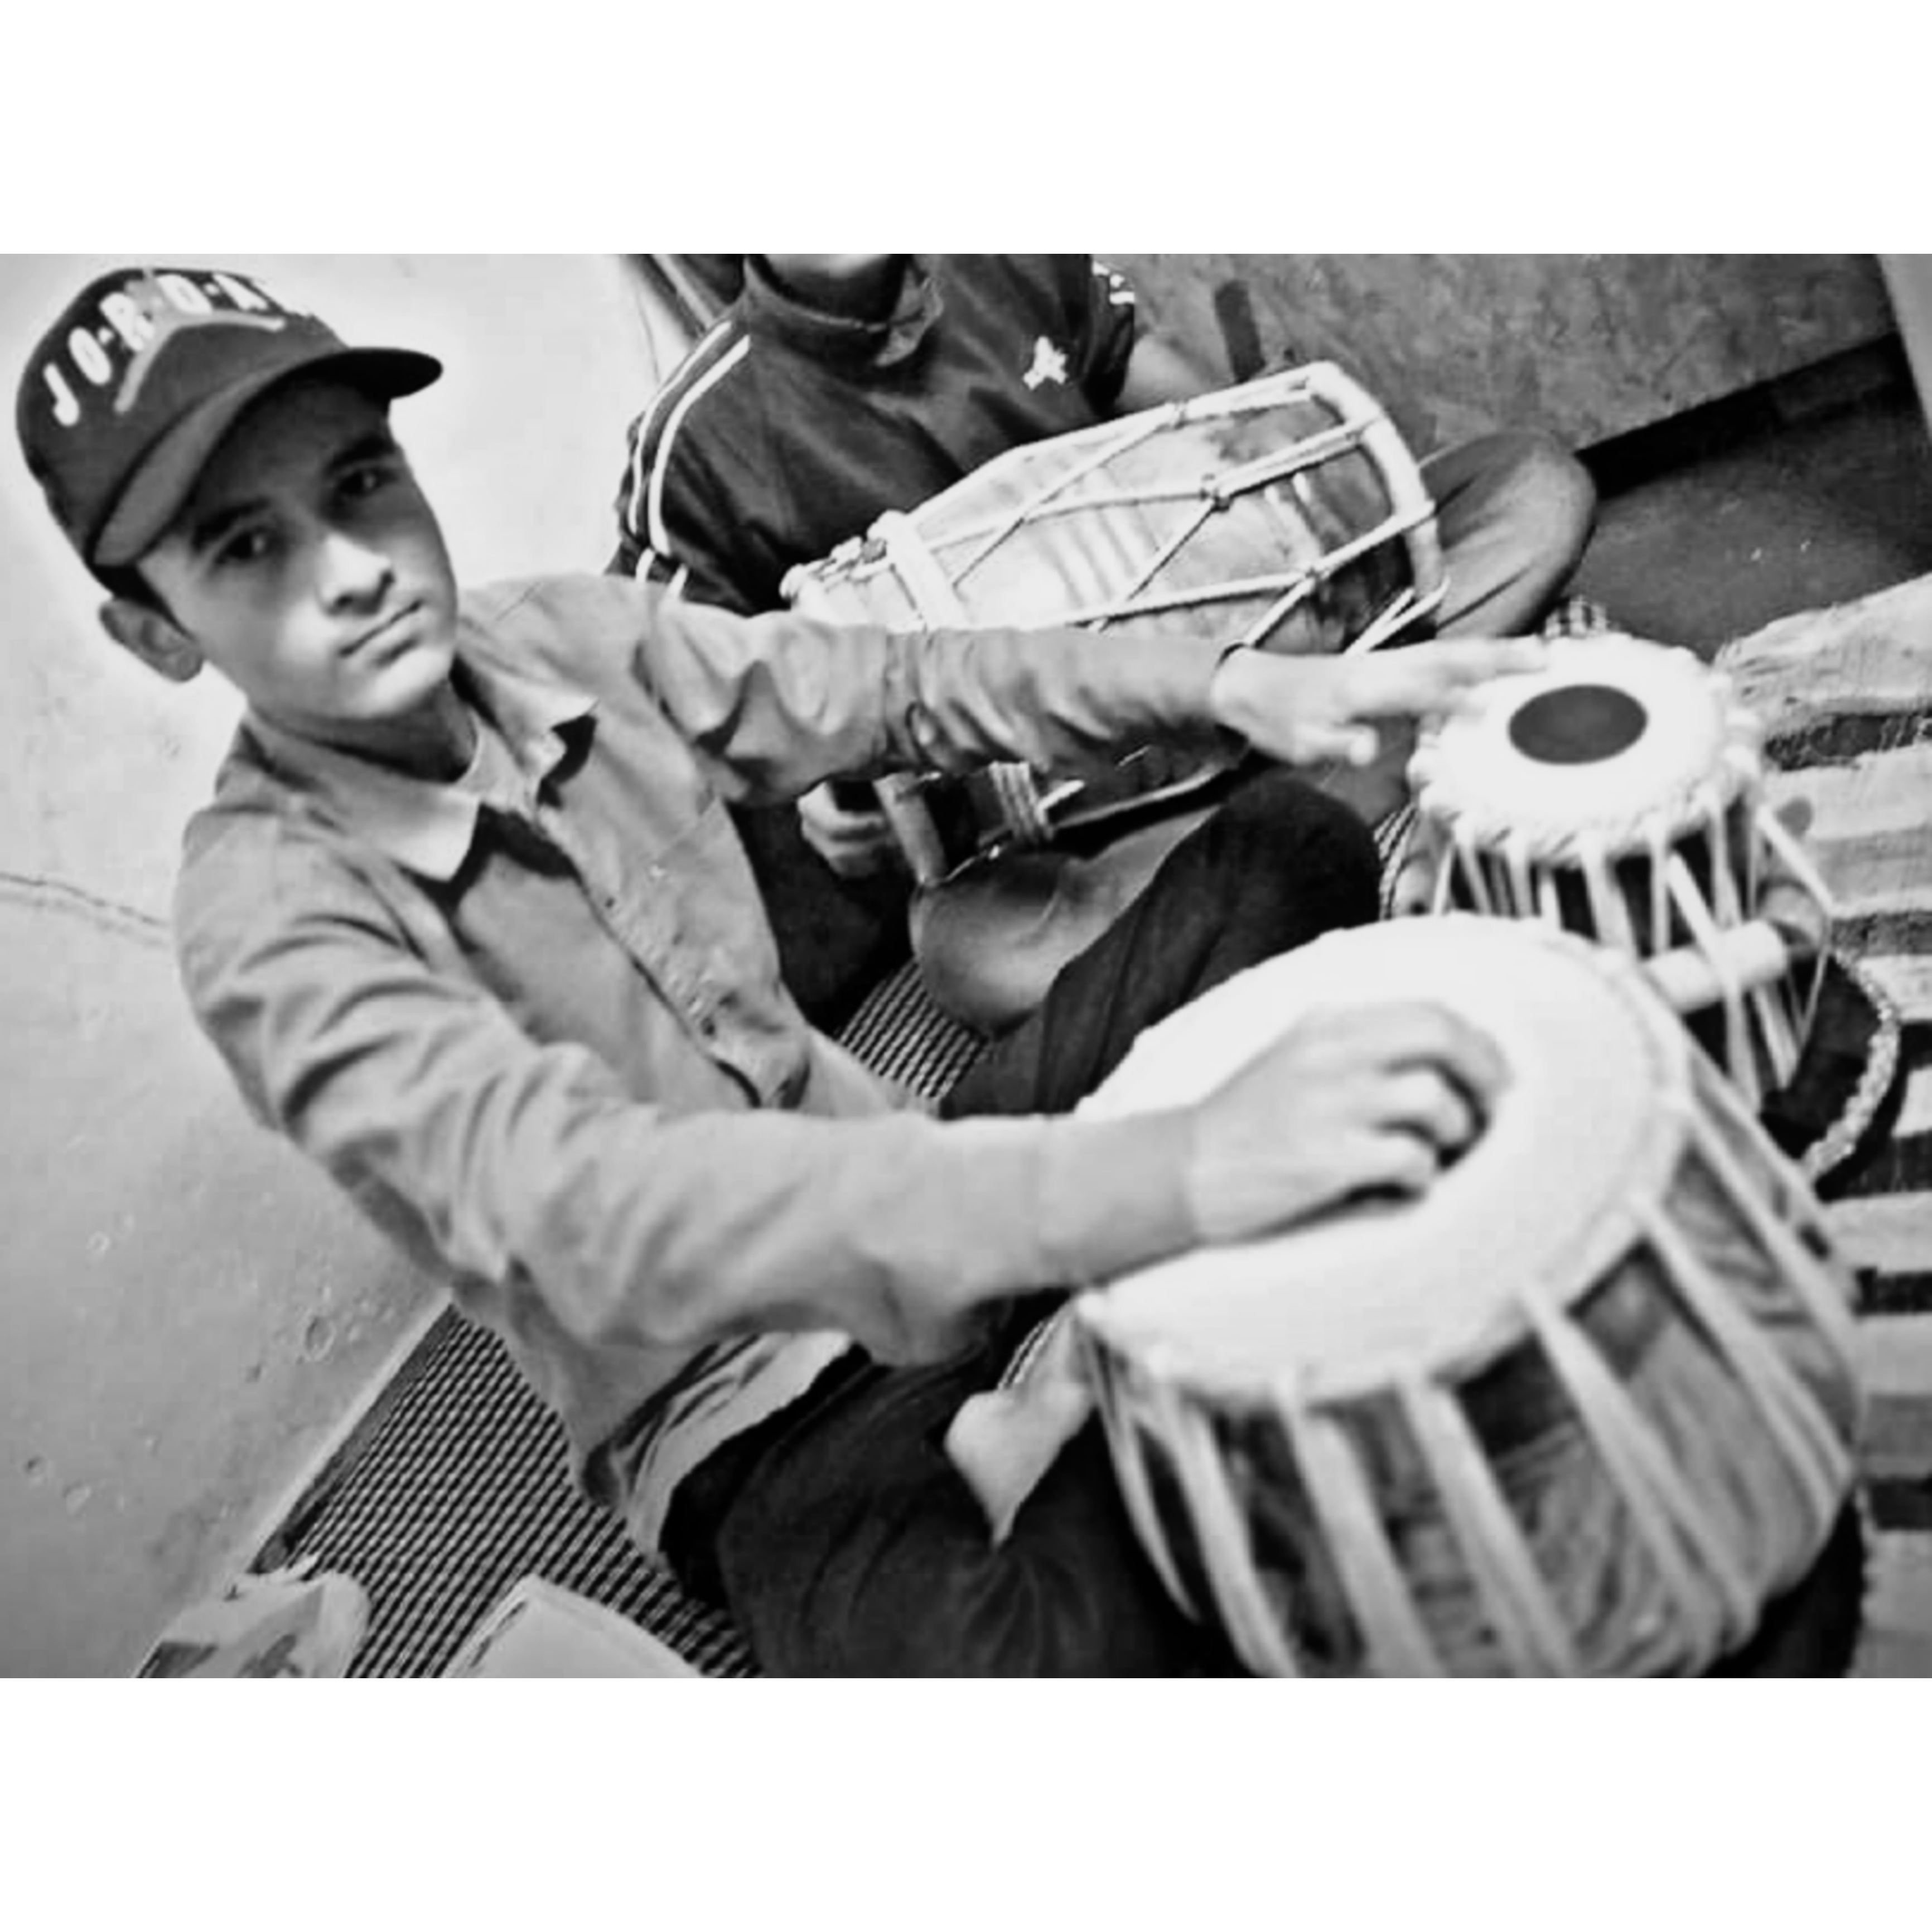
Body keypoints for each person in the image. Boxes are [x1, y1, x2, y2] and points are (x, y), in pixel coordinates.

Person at [21, 265, 1858, 1677]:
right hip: (759, 1417)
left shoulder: (559, 639)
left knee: (1286, 843)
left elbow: (899, 682)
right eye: (246, 546)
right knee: (1072, 1682)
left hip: (942, 1168)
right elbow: (600, 1205)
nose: (349, 569)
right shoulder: (268, 927)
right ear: (151, 629)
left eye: (360, 482)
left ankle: (1062, 1379)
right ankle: (1064, 1395)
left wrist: (1238, 684)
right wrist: (1170, 1174)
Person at [610, 254, 1599, 1032]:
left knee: (1531, 490)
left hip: (1257, 669)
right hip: (1050, 815)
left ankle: (1264, 837)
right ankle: (1348, 780)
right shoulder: (695, 443)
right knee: (975, 960)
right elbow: (690, 708)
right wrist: (818, 794)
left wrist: (1286, 480)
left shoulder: (1004, 252)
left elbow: (1219, 421)